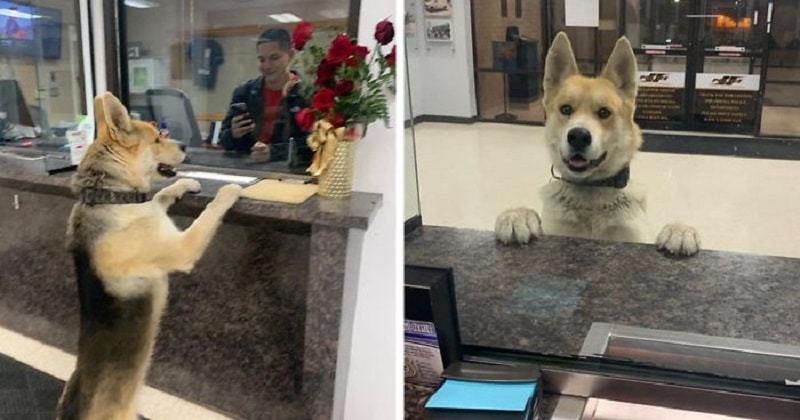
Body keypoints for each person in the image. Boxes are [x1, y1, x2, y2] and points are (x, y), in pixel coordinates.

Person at [218, 28, 312, 167]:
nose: (266, 66)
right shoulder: (243, 92)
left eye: (274, 58)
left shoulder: (306, 94)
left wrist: (274, 152)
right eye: (262, 59)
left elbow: (313, 144)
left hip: (290, 173)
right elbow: (224, 141)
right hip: (247, 170)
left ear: (291, 55)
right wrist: (233, 134)